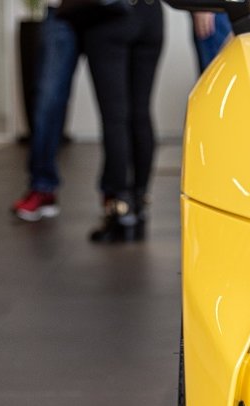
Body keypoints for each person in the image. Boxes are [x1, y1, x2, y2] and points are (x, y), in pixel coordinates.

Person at [81, 0, 164, 242]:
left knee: (115, 118)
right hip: (151, 14)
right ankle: (139, 202)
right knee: (141, 113)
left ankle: (120, 208)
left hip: (111, 16)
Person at [12, 2, 82, 221]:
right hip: (61, 11)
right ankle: (42, 187)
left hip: (106, 11)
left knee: (115, 106)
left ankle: (116, 198)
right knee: (47, 98)